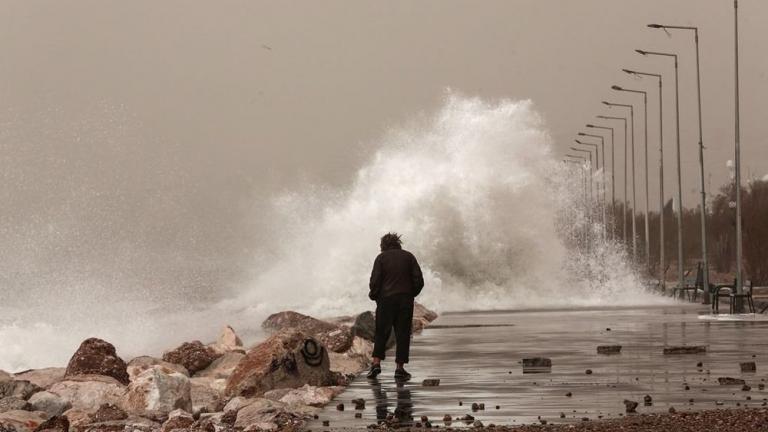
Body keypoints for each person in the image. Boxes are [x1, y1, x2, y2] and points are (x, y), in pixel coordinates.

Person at [366, 232, 424, 380]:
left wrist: (374, 295)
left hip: (385, 300)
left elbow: (375, 281)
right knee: (403, 333)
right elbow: (419, 280)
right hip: (405, 300)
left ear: (384, 246)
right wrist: (410, 294)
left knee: (381, 332)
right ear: (398, 244)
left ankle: (376, 364)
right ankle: (399, 368)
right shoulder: (409, 257)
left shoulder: (381, 258)